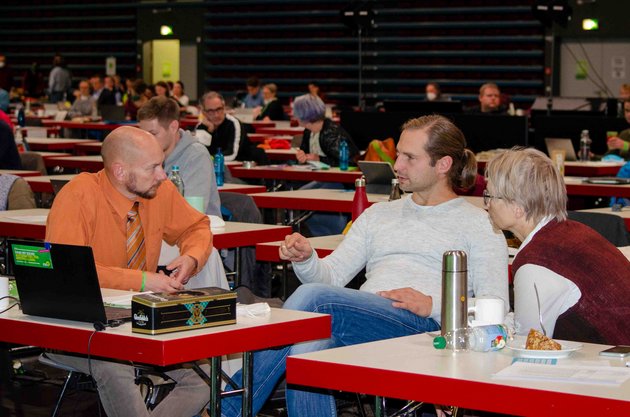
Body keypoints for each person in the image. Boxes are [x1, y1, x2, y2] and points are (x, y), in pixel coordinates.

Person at [220, 114, 509, 417]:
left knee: (316, 301)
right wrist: (307, 260)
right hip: (364, 321)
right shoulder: (378, 215)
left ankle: (226, 410)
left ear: (443, 165)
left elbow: (497, 309)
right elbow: (331, 276)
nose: (397, 166)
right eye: (399, 154)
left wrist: (433, 304)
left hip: (429, 333)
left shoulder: (479, 224)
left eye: (410, 157)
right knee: (306, 351)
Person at [44, 126, 212, 417]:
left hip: (140, 321)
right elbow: (68, 271)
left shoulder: (159, 191)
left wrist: (192, 257)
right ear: (120, 171)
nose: (163, 175)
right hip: (78, 326)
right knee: (115, 364)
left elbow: (196, 227)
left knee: (206, 376)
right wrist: (144, 280)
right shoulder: (78, 196)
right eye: (154, 167)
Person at [485, 147, 630, 344]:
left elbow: (529, 344)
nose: (487, 205)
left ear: (517, 207)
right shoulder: (575, 231)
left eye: (490, 196)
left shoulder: (535, 263)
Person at [137, 96, 221, 216]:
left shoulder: (196, 156)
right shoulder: (145, 154)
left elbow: (191, 212)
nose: (146, 141)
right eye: (143, 134)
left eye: (153, 133)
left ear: (173, 127)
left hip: (197, 231)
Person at [293, 94, 359, 235]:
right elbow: (307, 153)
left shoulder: (331, 132)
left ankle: (333, 232)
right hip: (322, 178)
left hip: (340, 182)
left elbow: (348, 162)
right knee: (300, 195)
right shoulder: (308, 131)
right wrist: (303, 157)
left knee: (305, 196)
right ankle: (319, 234)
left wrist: (319, 159)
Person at [196, 91, 260, 163]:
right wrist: (209, 132)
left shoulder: (234, 123)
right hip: (213, 168)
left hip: (241, 168)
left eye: (219, 109)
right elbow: (199, 153)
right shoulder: (201, 126)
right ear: (204, 112)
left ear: (224, 108)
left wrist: (210, 159)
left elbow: (232, 154)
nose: (216, 115)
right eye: (211, 111)